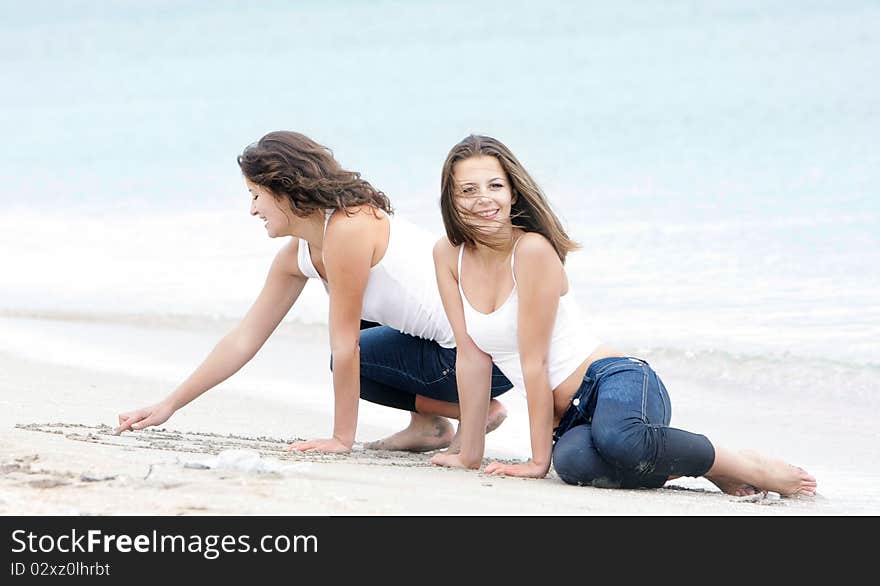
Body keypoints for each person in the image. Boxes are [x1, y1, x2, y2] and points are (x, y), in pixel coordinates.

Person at [429, 134, 817, 496]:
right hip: (570, 420)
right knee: (576, 464)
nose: (484, 199)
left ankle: (746, 465)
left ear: (513, 193)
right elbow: (471, 356)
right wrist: (469, 454)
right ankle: (699, 465)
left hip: (616, 380)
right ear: (452, 198)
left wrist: (536, 461)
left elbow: (536, 361)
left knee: (618, 440)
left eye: (495, 186)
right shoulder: (448, 255)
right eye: (468, 190)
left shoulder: (531, 251)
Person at [114, 131, 512, 453]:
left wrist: (341, 440)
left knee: (356, 354)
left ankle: (476, 410)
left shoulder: (349, 229)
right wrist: (169, 404)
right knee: (359, 347)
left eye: (255, 194)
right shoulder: (300, 252)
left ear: (285, 191)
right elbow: (243, 339)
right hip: (454, 353)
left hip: (482, 358)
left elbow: (345, 350)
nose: (252, 209)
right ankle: (431, 426)